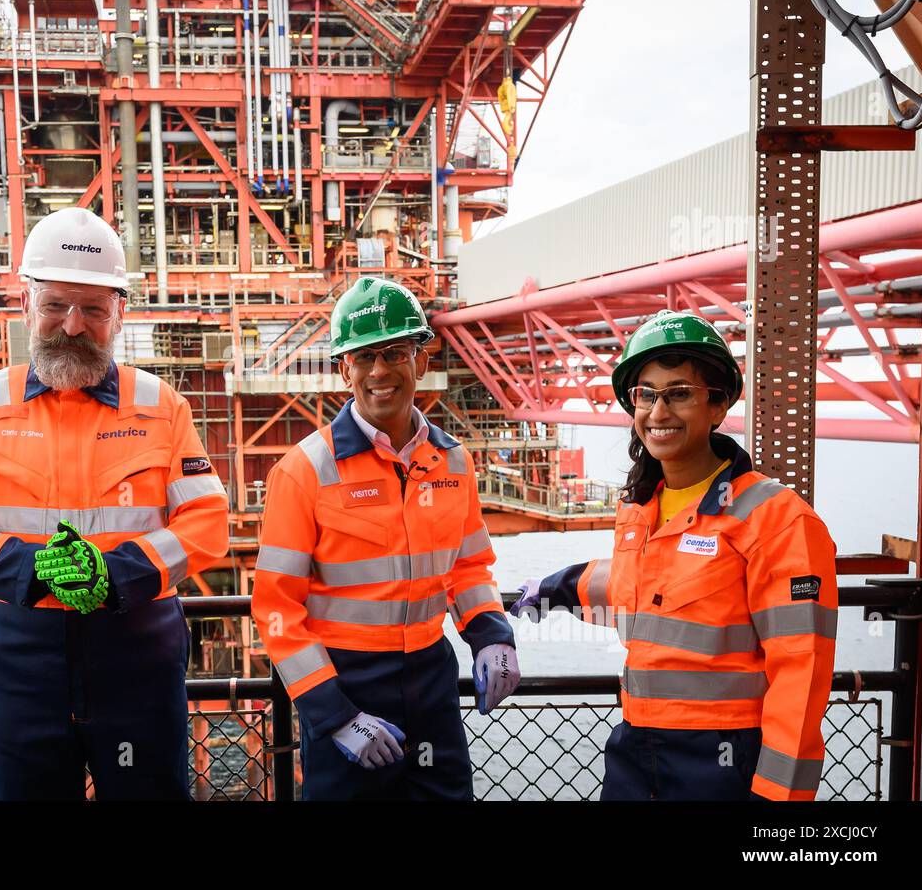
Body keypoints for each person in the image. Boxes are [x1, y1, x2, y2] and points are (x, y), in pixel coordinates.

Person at [0, 207, 230, 800]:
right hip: (23, 661)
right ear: (27, 304)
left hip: (138, 653)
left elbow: (206, 524)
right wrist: (27, 569)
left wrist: (115, 573)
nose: (73, 326)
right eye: (56, 305)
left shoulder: (162, 406)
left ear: (119, 315)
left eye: (93, 310)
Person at [510, 310, 837, 801]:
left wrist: (776, 799)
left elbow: (802, 672)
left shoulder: (777, 519)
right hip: (636, 752)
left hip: (724, 762)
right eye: (646, 394)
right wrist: (550, 589)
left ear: (718, 404)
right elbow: (637, 589)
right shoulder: (641, 508)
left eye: (679, 393)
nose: (658, 413)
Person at [253, 276, 519, 800]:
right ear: (342, 368)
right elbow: (276, 608)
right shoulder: (304, 471)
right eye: (363, 356)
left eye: (394, 352)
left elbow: (468, 569)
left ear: (421, 360)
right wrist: (333, 714)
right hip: (346, 682)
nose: (379, 371)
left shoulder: (454, 462)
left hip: (431, 680)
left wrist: (491, 635)